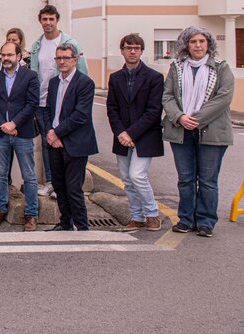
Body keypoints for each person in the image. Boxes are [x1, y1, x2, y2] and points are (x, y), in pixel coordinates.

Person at [163, 26, 234, 238]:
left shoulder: (221, 68)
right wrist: (180, 117)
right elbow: (167, 96)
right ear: (186, 45)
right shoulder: (176, 67)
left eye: (202, 41)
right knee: (185, 178)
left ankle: (205, 222)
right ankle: (186, 219)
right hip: (180, 130)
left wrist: (196, 119)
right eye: (193, 41)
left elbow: (224, 98)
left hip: (211, 133)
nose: (198, 45)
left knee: (207, 180)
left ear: (208, 44)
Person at [106, 34, 164, 232]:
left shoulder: (154, 78)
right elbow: (112, 108)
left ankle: (152, 213)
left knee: (137, 175)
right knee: (127, 180)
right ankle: (137, 217)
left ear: (141, 51)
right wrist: (121, 133)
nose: (132, 51)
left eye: (136, 48)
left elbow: (154, 111)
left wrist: (131, 134)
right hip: (122, 136)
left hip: (145, 135)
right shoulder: (115, 78)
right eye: (128, 47)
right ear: (122, 50)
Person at [29, 5, 88, 198]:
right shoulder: (37, 45)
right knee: (48, 142)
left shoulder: (69, 43)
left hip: (63, 100)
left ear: (57, 20)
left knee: (65, 140)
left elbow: (82, 72)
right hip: (42, 102)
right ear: (40, 21)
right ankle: (51, 182)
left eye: (51, 19)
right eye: (44, 19)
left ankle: (65, 185)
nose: (48, 23)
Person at [0, 41, 40, 231]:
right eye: (3, 55)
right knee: (1, 174)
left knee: (29, 176)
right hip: (1, 134)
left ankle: (31, 214)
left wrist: (14, 123)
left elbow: (32, 104)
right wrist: (3, 125)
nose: (6, 58)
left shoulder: (31, 76)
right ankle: (0, 208)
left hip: (23, 134)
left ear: (18, 56)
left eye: (10, 55)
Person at [44, 43, 98, 231]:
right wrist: (50, 132)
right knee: (59, 187)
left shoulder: (85, 83)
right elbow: (49, 111)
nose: (62, 61)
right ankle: (65, 223)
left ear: (75, 60)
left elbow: (80, 115)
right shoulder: (54, 82)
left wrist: (56, 132)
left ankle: (82, 226)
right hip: (54, 143)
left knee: (74, 189)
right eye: (58, 58)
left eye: (66, 58)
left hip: (75, 143)